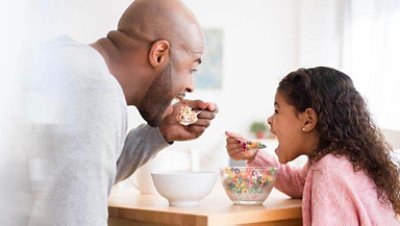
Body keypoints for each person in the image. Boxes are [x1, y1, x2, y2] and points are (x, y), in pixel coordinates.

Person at [23, 0, 217, 225]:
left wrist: (160, 133)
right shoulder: (95, 90)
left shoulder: (68, 62)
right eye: (191, 69)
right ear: (159, 54)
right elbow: (74, 217)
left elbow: (80, 179)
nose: (191, 86)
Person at [225, 67, 400, 225]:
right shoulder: (343, 160)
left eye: (277, 111)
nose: (269, 120)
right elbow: (298, 183)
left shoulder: (329, 170)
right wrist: (255, 155)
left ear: (308, 120)